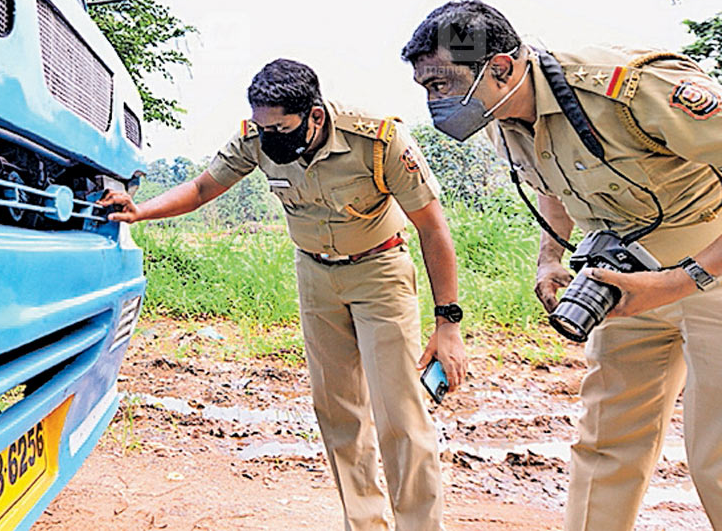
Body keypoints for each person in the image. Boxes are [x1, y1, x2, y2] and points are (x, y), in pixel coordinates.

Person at [99, 59, 466, 530]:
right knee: (337, 412)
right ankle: (365, 523)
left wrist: (448, 324)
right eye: (262, 127)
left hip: (380, 271)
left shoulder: (379, 141)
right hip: (315, 276)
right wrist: (141, 211)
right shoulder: (257, 138)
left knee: (400, 412)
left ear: (314, 115)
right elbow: (202, 187)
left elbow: (433, 229)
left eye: (281, 128)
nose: (270, 138)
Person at [402, 0, 722, 530]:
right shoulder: (497, 111)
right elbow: (551, 176)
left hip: (711, 269)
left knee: (715, 447)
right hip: (621, 278)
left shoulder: (627, 90)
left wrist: (680, 280)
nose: (437, 101)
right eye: (427, 88)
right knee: (605, 443)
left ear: (501, 66)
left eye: (443, 84)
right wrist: (550, 256)